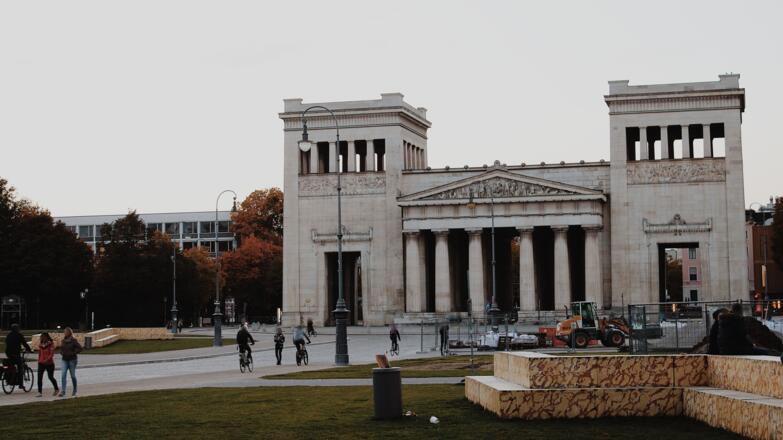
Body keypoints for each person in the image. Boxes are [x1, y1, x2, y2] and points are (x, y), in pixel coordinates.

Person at [59, 327, 82, 397]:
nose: (64, 333)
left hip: (72, 360)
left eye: (66, 331)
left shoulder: (74, 340)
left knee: (72, 376)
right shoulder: (63, 341)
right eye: (64, 332)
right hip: (64, 359)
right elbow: (61, 349)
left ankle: (75, 390)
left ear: (69, 332)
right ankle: (63, 391)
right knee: (63, 375)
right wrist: (61, 352)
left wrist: (73, 353)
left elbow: (80, 348)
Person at [36, 332, 59, 397]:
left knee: (50, 377)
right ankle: (39, 392)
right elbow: (40, 353)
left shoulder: (51, 344)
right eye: (41, 337)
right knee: (39, 377)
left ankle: (56, 389)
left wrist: (46, 360)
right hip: (41, 363)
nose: (42, 338)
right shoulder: (41, 345)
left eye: (43, 337)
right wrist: (39, 360)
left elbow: (51, 354)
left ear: (47, 337)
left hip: (49, 363)